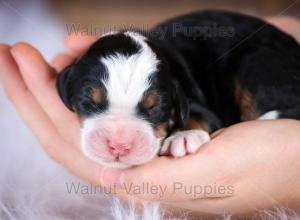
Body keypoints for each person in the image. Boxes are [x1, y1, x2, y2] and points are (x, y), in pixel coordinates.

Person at [0, 17, 300, 216]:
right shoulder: (83, 77)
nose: (119, 141)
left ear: (175, 104)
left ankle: (278, 116)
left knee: (260, 71)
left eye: (151, 109)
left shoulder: (175, 84)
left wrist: (192, 129)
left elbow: (199, 111)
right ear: (68, 90)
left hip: (259, 54)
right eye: (92, 106)